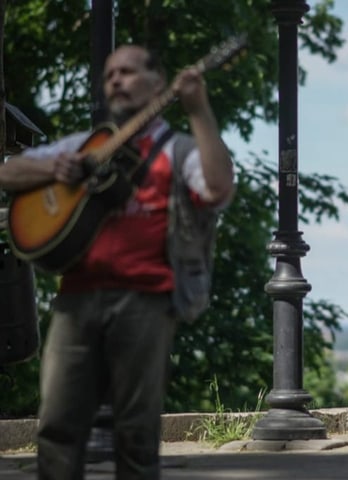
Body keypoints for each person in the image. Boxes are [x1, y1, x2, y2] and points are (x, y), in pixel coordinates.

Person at [0, 45, 234, 478]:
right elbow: (7, 172)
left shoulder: (177, 149)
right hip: (75, 300)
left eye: (127, 72)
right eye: (110, 74)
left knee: (136, 432)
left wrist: (199, 110)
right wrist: (56, 168)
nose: (116, 81)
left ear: (158, 83)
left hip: (146, 299)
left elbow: (218, 189)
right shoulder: (85, 145)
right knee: (56, 428)